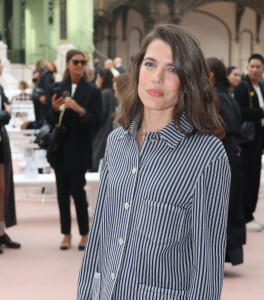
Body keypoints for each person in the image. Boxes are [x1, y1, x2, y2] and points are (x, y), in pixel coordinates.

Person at [78, 24, 230, 299]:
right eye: (150, 64)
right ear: (137, 71)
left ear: (188, 81)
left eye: (172, 69)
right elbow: (99, 236)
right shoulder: (117, 143)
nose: (156, 78)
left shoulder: (206, 156)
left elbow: (207, 266)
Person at [46, 49, 103, 251]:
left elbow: (96, 121)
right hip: (59, 149)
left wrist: (80, 110)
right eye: (75, 61)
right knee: (62, 193)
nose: (79, 65)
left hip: (79, 149)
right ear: (68, 64)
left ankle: (84, 234)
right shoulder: (57, 88)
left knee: (78, 191)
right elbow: (49, 121)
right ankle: (66, 234)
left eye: (82, 62)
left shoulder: (92, 91)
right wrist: (53, 109)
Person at [207, 57, 245, 266]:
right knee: (229, 202)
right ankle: (228, 253)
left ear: (211, 74)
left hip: (220, 150)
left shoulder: (213, 95)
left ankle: (220, 254)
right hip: (230, 150)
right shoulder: (226, 94)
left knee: (219, 203)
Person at [234, 53, 264, 231]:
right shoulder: (243, 87)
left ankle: (250, 214)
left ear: (263, 69)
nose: (255, 70)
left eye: (258, 67)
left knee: (254, 179)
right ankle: (245, 216)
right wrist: (260, 111)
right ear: (247, 68)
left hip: (257, 141)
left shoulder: (261, 87)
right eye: (252, 66)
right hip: (246, 142)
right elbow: (239, 113)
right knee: (247, 180)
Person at [0, 58, 21, 254]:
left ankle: (1, 232)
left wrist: (5, 112)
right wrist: (5, 113)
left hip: (1, 143)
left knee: (3, 189)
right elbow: (5, 114)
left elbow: (7, 111)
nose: (1, 67)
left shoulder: (0, 88)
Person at [91, 68, 118, 171]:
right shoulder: (112, 93)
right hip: (109, 132)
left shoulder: (104, 94)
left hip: (102, 134)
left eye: (97, 78)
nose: (96, 81)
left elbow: (100, 115)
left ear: (102, 78)